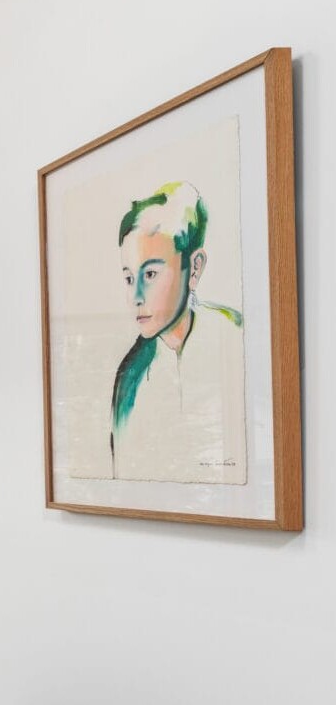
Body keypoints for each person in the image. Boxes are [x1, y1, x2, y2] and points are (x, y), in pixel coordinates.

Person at [109, 181, 246, 483]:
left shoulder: (237, 337)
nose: (136, 297)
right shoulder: (130, 375)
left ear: (194, 269)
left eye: (151, 274)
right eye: (129, 278)